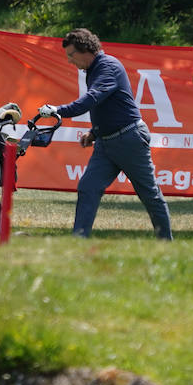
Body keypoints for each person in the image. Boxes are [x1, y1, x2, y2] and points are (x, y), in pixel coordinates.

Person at [39, 28, 172, 240]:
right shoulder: (93, 70)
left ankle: (166, 243)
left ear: (85, 50)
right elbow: (107, 106)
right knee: (88, 187)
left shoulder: (108, 67)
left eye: (71, 56)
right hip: (106, 142)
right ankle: (78, 241)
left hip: (129, 140)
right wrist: (94, 132)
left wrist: (58, 110)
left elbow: (91, 99)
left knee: (150, 195)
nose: (70, 61)